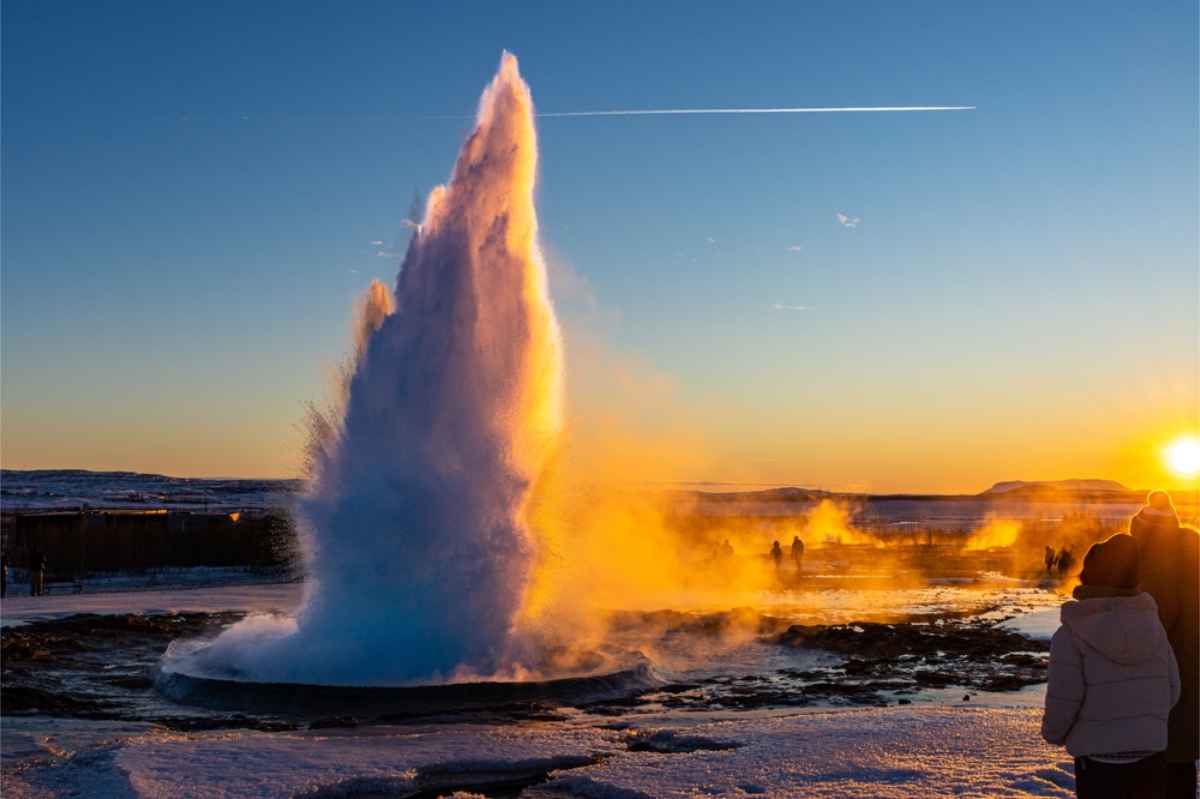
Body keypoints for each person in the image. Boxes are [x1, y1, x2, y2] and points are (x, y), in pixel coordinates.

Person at [1042, 533, 1180, 798]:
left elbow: (1064, 700)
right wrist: (1144, 720)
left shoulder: (1071, 633)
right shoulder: (1154, 626)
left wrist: (1054, 734)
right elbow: (1173, 689)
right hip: (1151, 758)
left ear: (1087, 575)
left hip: (1097, 763)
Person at [1130, 491, 1199, 797]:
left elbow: (1155, 624)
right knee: (1182, 760)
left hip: (1163, 682)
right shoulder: (1193, 551)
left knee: (1164, 764)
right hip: (1193, 674)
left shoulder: (1155, 563)